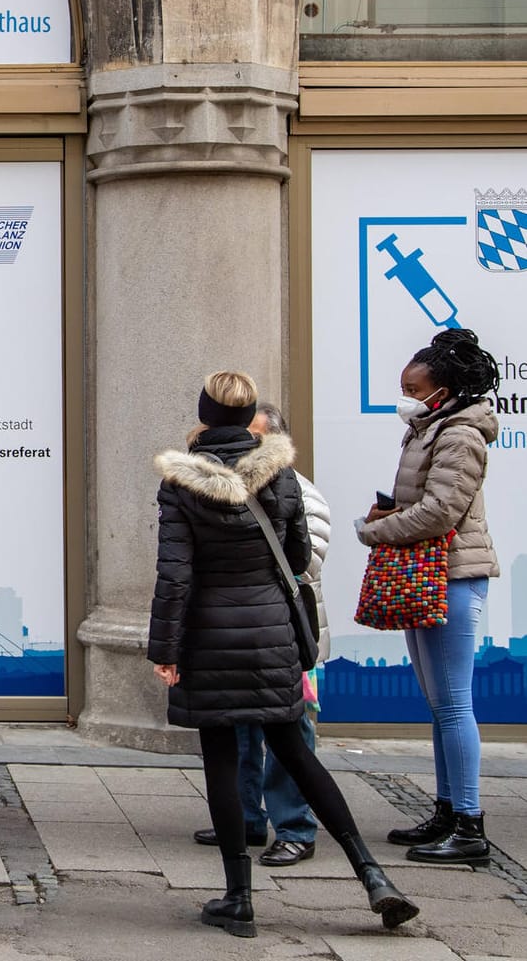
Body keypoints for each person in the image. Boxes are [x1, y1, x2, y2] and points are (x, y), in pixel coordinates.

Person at [149, 371, 416, 937]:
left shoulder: (180, 484)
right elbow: (295, 557)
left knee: (220, 758)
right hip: (271, 633)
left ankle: (237, 899)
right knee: (297, 754)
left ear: (204, 414)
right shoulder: (282, 473)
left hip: (209, 636)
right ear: (250, 419)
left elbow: (175, 576)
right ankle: (372, 876)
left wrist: (165, 650)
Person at [357, 328, 499, 867]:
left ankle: (468, 825)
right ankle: (446, 811)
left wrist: (373, 531)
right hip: (435, 572)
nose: (407, 397)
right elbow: (425, 501)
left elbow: (442, 511)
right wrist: (389, 511)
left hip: (453, 576)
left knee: (454, 703)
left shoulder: (459, 434)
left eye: (415, 388)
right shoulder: (431, 427)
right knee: (441, 705)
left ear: (445, 389)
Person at [190, 402, 331, 867]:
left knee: (292, 735)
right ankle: (248, 818)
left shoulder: (296, 489)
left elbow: (305, 561)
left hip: (281, 636)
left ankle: (295, 829)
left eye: (251, 435)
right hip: (245, 631)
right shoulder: (220, 488)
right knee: (242, 730)